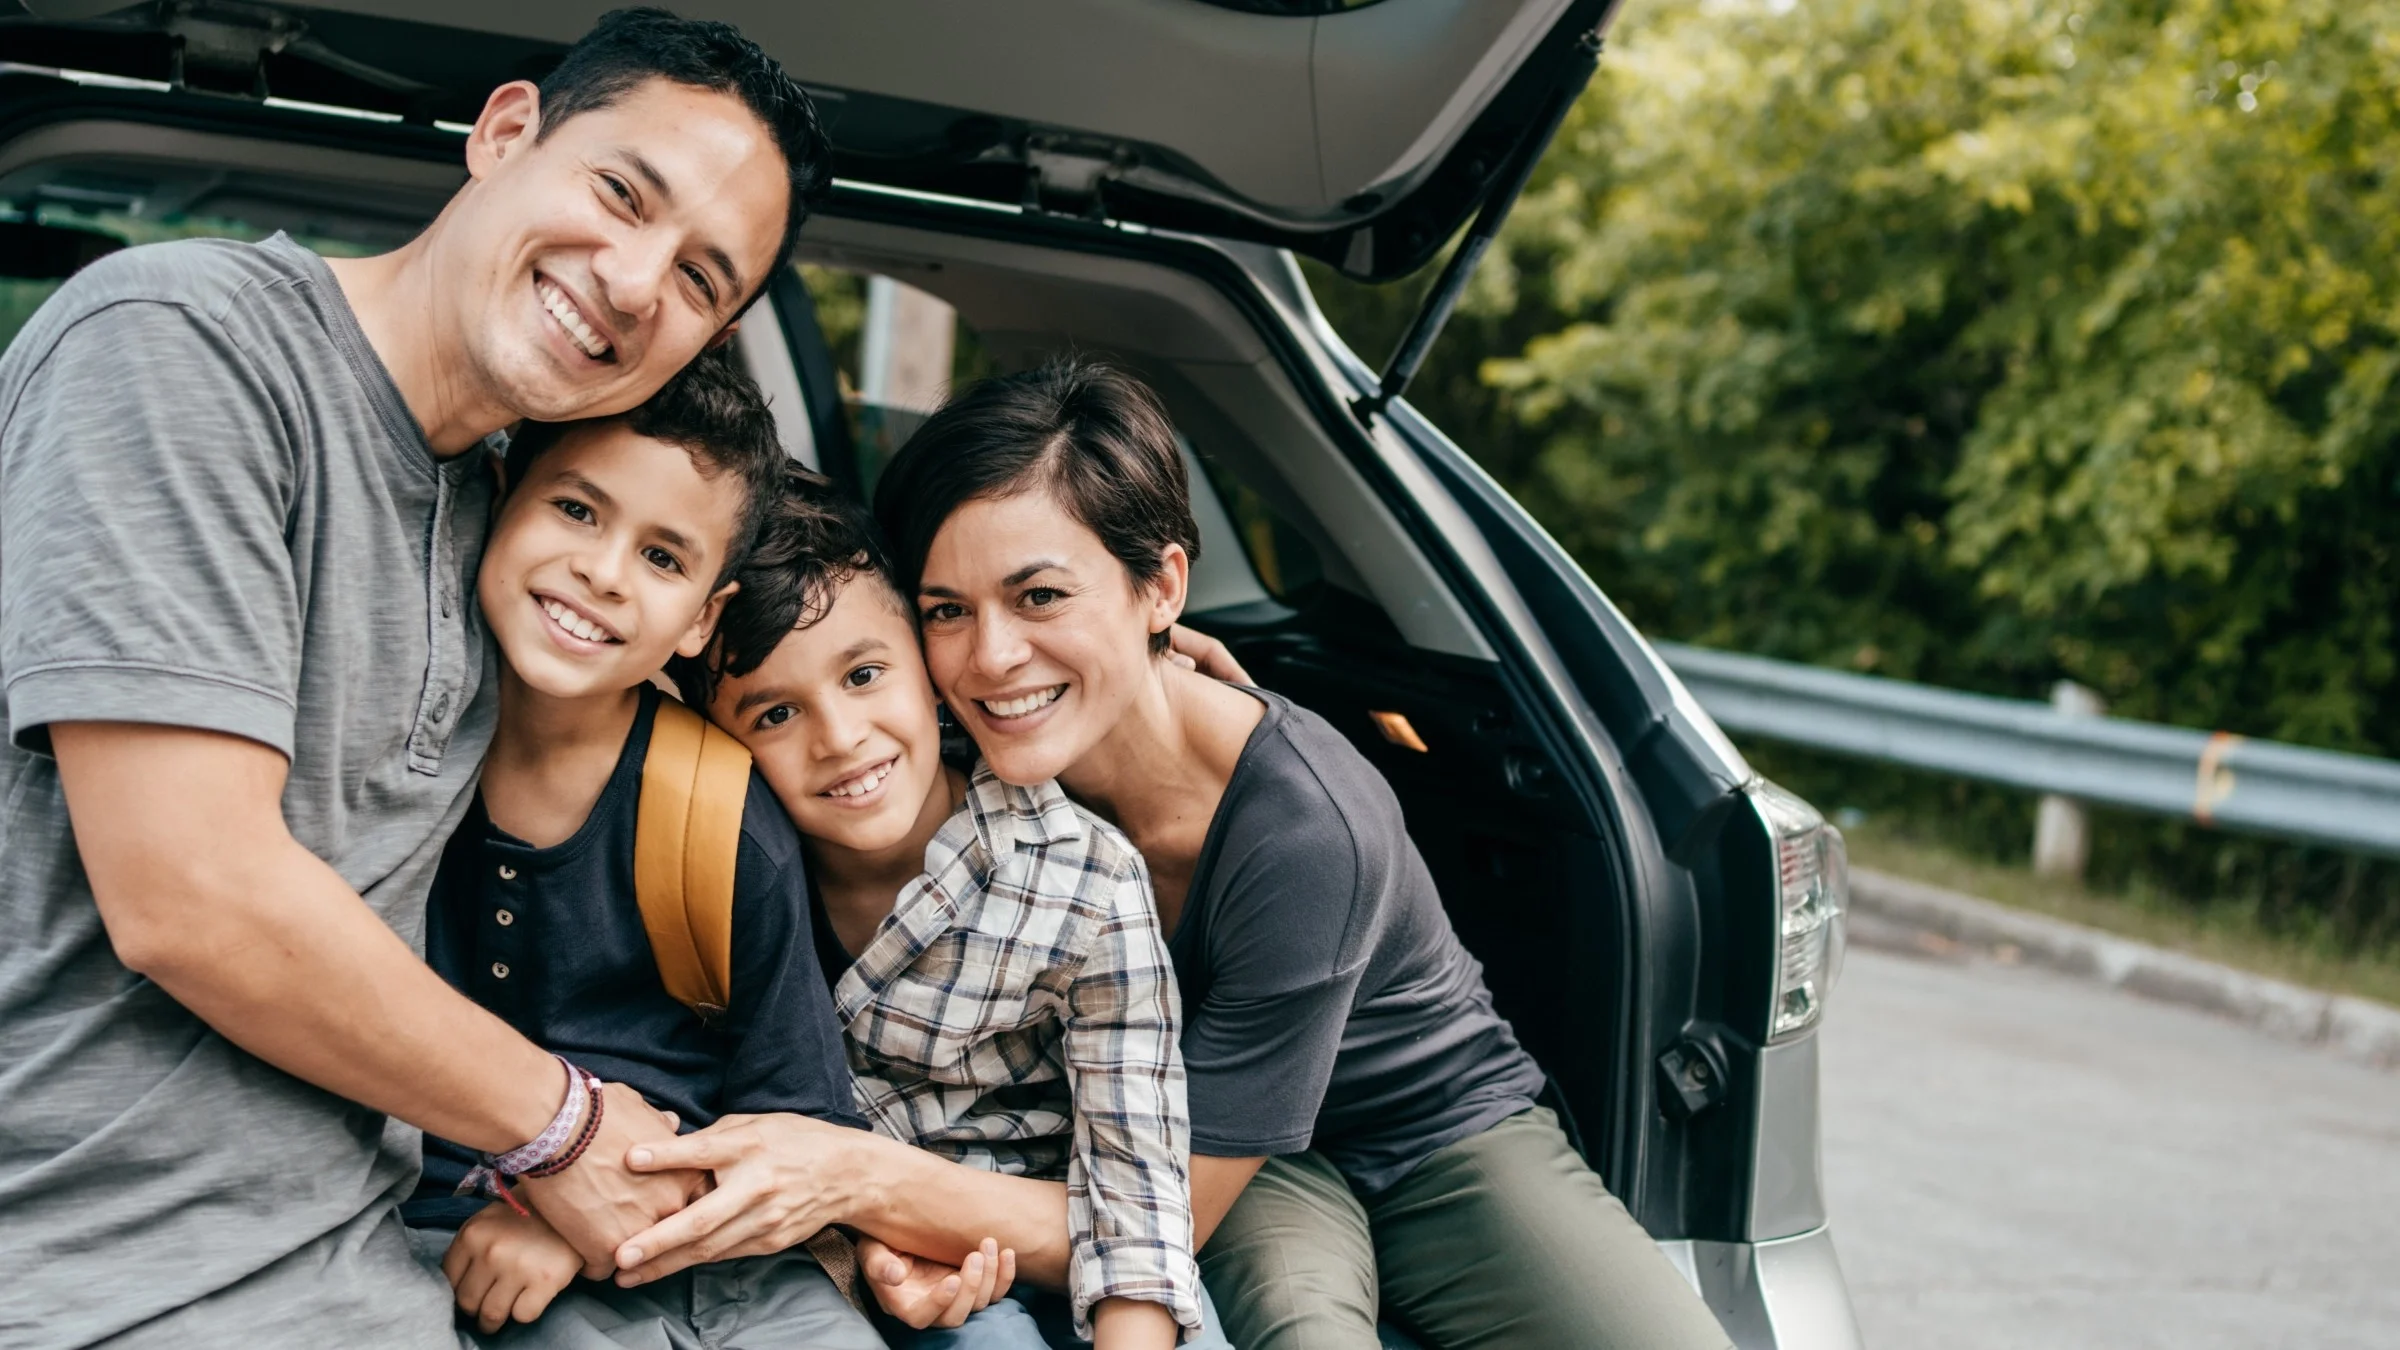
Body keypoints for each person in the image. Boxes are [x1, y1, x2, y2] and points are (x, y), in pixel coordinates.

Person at [0, 9, 827, 1345]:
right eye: (621, 190)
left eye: (700, 280)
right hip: (94, 1272)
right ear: (504, 134)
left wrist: (1149, 677)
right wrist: (562, 1127)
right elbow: (192, 894)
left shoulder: (512, 524)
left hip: (373, 1266)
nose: (630, 280)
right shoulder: (182, 350)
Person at [668, 468, 1218, 1350]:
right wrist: (864, 1246)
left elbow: (1138, 1186)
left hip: (1068, 1225)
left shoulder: (1081, 878)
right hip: (886, 1262)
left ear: (929, 668)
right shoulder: (712, 874)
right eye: (774, 712)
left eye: (865, 674)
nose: (840, 738)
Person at [396, 355, 882, 1348]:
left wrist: (576, 1221)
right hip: (438, 1249)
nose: (605, 573)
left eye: (664, 559)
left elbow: (803, 1129)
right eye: (577, 511)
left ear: (704, 616)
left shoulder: (717, 817)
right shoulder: (384, 769)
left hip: (717, 1257)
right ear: (499, 495)